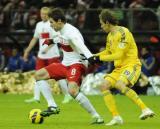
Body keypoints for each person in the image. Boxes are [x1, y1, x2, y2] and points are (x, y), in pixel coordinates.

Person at [35, 8, 104, 124]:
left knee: (72, 91)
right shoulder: (61, 30)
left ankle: (97, 117)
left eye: (51, 22)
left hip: (77, 64)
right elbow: (61, 38)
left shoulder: (71, 32)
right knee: (38, 75)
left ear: (59, 21)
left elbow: (80, 45)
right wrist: (52, 40)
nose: (50, 25)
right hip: (65, 64)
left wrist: (91, 57)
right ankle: (52, 106)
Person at [88, 9, 155, 126]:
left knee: (119, 84)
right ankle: (116, 117)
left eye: (102, 24)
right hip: (119, 68)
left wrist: (99, 59)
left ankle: (145, 109)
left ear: (107, 22)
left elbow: (119, 54)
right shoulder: (110, 36)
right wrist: (93, 56)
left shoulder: (124, 32)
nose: (101, 26)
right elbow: (108, 51)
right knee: (104, 86)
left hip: (131, 65)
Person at [23, 7, 72, 104]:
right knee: (38, 75)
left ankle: (67, 95)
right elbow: (34, 39)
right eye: (42, 14)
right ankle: (36, 97)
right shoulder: (38, 25)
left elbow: (56, 39)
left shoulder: (51, 24)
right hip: (42, 56)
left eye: (45, 14)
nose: (43, 16)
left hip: (52, 55)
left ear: (49, 15)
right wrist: (27, 51)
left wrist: (47, 48)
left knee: (59, 76)